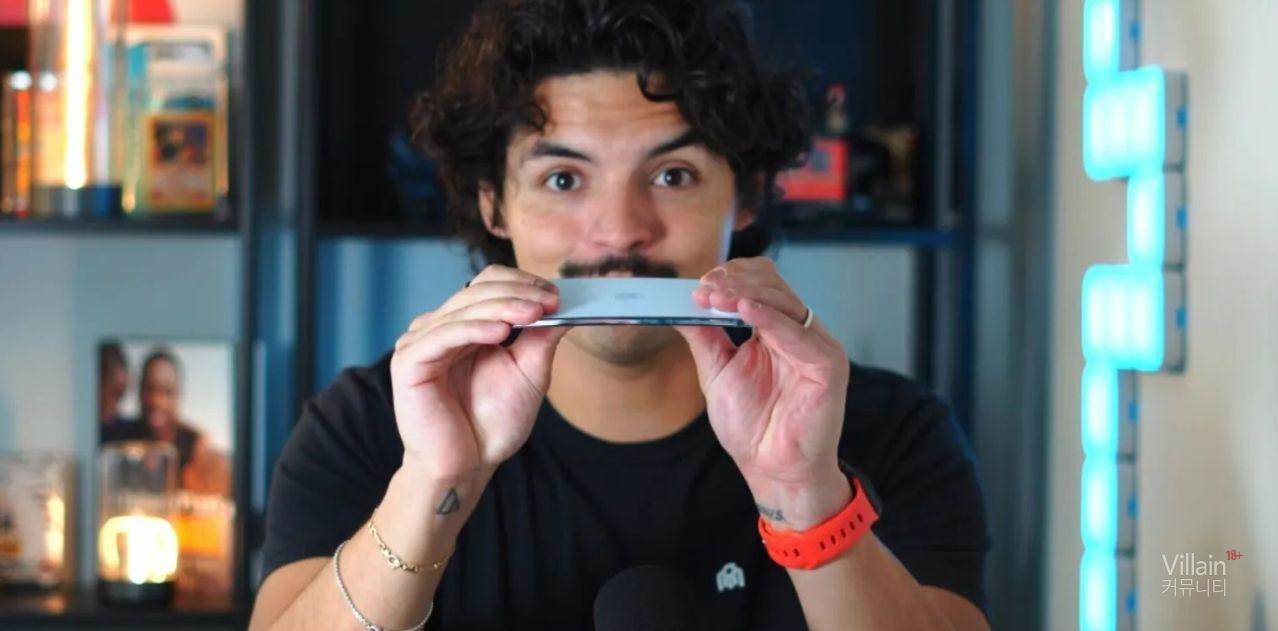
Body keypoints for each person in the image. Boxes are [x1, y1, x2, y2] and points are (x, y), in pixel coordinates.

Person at [250, 1, 990, 629]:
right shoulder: (371, 428)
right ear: (494, 204)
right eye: (563, 178)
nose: (620, 231)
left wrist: (806, 493)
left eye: (672, 174)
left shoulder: (892, 433)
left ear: (745, 196)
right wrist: (432, 485)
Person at [101, 349, 230, 496]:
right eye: (150, 389)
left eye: (167, 392)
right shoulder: (118, 437)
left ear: (178, 395)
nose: (157, 401)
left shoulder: (196, 446)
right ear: (139, 391)